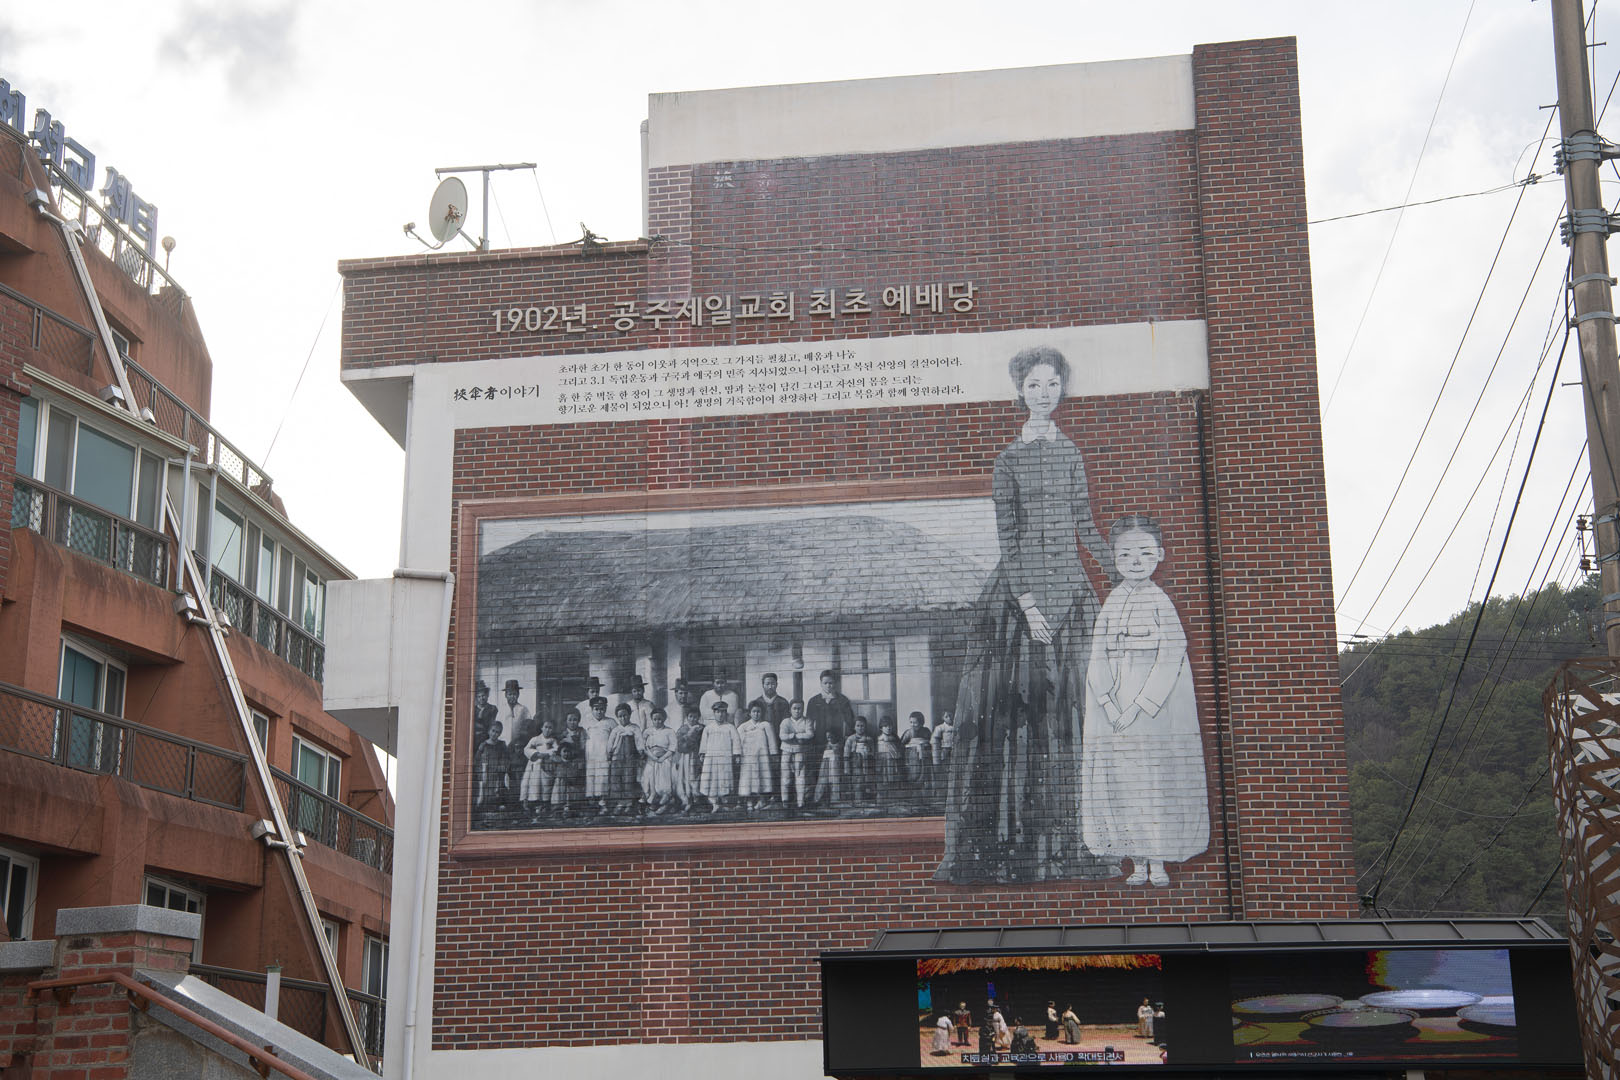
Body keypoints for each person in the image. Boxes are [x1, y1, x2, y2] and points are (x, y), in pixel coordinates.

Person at [936, 345, 1116, 885]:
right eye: (1034, 384)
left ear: (1063, 388)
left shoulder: (1073, 453)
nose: (1044, 393)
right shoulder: (1007, 462)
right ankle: (1011, 848)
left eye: (1052, 383)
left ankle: (1074, 845)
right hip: (1019, 608)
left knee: (1072, 718)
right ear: (1020, 390)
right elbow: (1009, 540)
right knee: (1017, 719)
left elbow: (1085, 524)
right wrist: (1030, 605)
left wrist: (1121, 575)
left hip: (1074, 596)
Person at [1082, 516, 1209, 887]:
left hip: (1153, 711)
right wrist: (1108, 704)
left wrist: (1140, 705)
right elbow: (1097, 656)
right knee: (1125, 783)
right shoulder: (1112, 603)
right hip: (1116, 706)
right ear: (1114, 558)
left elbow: (1171, 654)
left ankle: (1158, 861)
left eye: (1144, 553)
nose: (1135, 561)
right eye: (1125, 554)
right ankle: (1136, 861)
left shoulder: (1160, 602)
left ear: (1160, 555)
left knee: (1154, 781)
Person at [699, 703, 741, 810]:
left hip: (725, 757)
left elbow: (736, 741)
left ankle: (724, 802)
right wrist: (702, 753)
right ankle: (714, 803)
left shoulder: (730, 727)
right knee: (711, 778)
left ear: (726, 713)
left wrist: (736, 754)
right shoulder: (708, 728)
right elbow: (703, 742)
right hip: (711, 758)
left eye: (723, 712)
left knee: (724, 778)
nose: (720, 714)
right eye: (718, 712)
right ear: (714, 713)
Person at [605, 703, 645, 814]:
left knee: (629, 780)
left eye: (625, 715)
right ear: (617, 717)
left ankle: (629, 803)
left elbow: (639, 741)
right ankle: (620, 802)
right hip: (617, 758)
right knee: (616, 779)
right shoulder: (616, 730)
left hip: (630, 758)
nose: (623, 718)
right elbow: (610, 743)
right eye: (620, 716)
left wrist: (641, 751)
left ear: (629, 715)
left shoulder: (634, 728)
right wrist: (609, 753)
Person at [736, 703, 776, 809]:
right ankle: (749, 801)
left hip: (762, 757)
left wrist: (773, 753)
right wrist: (738, 754)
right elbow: (738, 742)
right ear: (750, 713)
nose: (756, 714)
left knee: (762, 778)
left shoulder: (766, 725)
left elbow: (772, 741)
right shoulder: (743, 726)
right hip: (748, 757)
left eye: (758, 711)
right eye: (754, 711)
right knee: (748, 779)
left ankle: (761, 800)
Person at [501, 679, 537, 795]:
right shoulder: (501, 709)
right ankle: (506, 794)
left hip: (518, 746)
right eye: (510, 694)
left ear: (518, 694)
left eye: (514, 694)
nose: (512, 697)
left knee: (517, 770)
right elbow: (497, 725)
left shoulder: (523, 709)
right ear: (506, 695)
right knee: (505, 770)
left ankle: (518, 794)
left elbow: (529, 726)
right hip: (504, 744)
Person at [520, 717, 560, 817]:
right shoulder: (535, 739)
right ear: (541, 727)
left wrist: (547, 754)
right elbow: (526, 749)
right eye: (546, 727)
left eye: (550, 728)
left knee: (545, 784)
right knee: (534, 784)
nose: (547, 730)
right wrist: (536, 753)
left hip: (547, 765)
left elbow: (556, 750)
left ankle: (544, 805)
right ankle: (534, 804)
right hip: (535, 764)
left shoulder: (553, 741)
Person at [779, 699, 813, 808]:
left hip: (800, 751)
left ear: (803, 709)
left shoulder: (807, 721)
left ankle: (800, 802)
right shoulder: (785, 722)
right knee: (785, 776)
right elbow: (782, 736)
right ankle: (785, 800)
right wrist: (793, 736)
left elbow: (810, 734)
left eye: (799, 708)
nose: (797, 711)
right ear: (790, 710)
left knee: (800, 776)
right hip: (786, 751)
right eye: (794, 708)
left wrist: (796, 736)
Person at [582, 696, 614, 813]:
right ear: (591, 709)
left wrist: (611, 752)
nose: (599, 711)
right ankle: (591, 801)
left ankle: (602, 801)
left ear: (605, 709)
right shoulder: (586, 722)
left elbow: (615, 738)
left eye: (602, 709)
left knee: (603, 775)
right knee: (590, 775)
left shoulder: (610, 722)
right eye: (596, 709)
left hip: (604, 754)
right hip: (590, 754)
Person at [473, 719, 512, 814]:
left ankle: (497, 805)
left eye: (497, 732)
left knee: (498, 788)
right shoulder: (483, 745)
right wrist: (481, 771)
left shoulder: (502, 745)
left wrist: (503, 767)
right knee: (486, 788)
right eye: (493, 731)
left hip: (498, 771)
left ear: (500, 734)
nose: (494, 734)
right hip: (486, 771)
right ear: (489, 731)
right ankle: (485, 806)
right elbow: (477, 759)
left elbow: (506, 758)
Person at [642, 708, 676, 812]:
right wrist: (652, 756)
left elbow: (672, 748)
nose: (657, 721)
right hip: (651, 759)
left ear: (664, 719)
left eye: (660, 719)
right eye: (655, 719)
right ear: (652, 719)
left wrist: (662, 758)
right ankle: (652, 799)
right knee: (648, 778)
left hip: (664, 759)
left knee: (663, 781)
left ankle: (665, 801)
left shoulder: (669, 731)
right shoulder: (648, 731)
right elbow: (644, 747)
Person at [553, 709, 586, 814]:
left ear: (579, 721)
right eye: (570, 720)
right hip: (564, 761)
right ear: (566, 721)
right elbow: (557, 749)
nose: (572, 722)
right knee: (562, 781)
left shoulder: (581, 732)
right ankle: (561, 804)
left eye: (575, 720)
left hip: (576, 760)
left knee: (575, 782)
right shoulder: (562, 734)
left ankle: (573, 804)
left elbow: (583, 747)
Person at [672, 707, 703, 810]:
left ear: (699, 717)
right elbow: (679, 744)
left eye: (695, 717)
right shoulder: (682, 729)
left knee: (695, 776)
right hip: (685, 756)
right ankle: (686, 798)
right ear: (687, 717)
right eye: (691, 716)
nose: (693, 719)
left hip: (696, 756)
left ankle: (696, 798)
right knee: (685, 776)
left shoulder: (701, 728)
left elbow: (703, 743)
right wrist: (689, 735)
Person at [843, 716, 874, 803]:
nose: (860, 728)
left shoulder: (869, 739)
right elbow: (846, 754)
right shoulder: (850, 739)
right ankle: (858, 801)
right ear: (854, 727)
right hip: (855, 764)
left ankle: (867, 801)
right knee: (857, 782)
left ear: (865, 727)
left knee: (867, 782)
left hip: (867, 764)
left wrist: (868, 752)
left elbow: (873, 753)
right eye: (858, 726)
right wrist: (847, 768)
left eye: (862, 726)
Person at [811, 729, 843, 807]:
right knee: (823, 781)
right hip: (826, 766)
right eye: (828, 737)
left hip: (834, 766)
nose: (829, 739)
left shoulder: (839, 746)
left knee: (834, 781)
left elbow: (838, 755)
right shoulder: (826, 746)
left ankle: (834, 800)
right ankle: (818, 799)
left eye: (831, 737)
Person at [899, 711, 931, 788]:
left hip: (924, 754)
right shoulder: (908, 732)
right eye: (911, 722)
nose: (912, 725)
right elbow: (901, 744)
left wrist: (923, 745)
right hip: (913, 755)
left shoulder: (926, 731)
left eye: (915, 723)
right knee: (914, 771)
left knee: (924, 770)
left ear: (921, 723)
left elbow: (931, 742)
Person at [874, 716, 901, 801]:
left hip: (892, 762)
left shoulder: (895, 739)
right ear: (881, 728)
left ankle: (892, 798)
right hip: (882, 763)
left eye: (890, 726)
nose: (888, 728)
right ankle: (881, 798)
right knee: (882, 780)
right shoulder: (878, 739)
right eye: (885, 726)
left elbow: (898, 750)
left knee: (893, 779)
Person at [472, 680, 499, 749]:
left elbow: (492, 725)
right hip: (474, 739)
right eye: (479, 696)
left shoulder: (492, 708)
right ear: (476, 698)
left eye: (483, 696)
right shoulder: (473, 709)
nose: (481, 698)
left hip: (487, 738)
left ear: (487, 695)